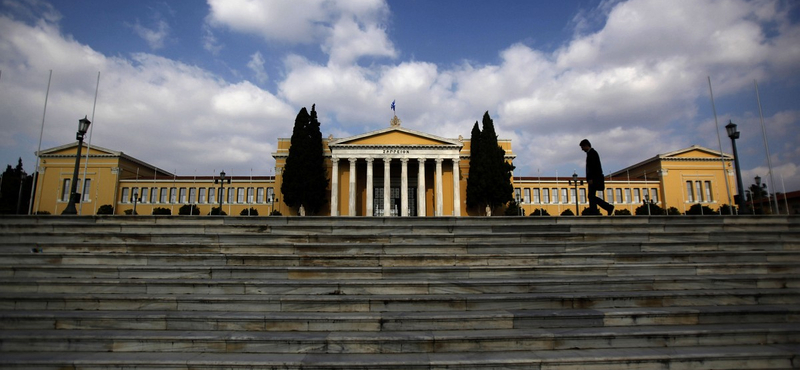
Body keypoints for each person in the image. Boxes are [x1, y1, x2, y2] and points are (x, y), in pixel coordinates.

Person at [580, 139, 614, 216]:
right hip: (594, 178)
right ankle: (594, 211)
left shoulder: (592, 153)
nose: (582, 149)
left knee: (591, 196)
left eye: (582, 147)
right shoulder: (592, 153)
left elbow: (593, 167)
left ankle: (607, 207)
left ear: (586, 145)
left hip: (594, 179)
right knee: (591, 196)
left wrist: (591, 179)